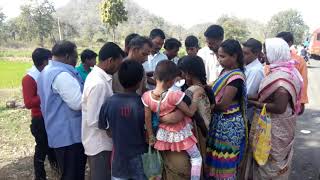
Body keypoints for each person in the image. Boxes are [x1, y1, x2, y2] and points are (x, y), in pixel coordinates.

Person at [248, 38, 302, 179]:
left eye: (266, 52)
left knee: (270, 160)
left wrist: (255, 104)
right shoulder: (290, 71)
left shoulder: (281, 78)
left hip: (276, 125)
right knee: (276, 160)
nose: (263, 55)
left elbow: (279, 107)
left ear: (275, 53)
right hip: (284, 123)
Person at [142, 60, 203, 180]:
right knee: (196, 157)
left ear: (154, 76)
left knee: (163, 163)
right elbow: (190, 112)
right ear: (171, 81)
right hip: (180, 133)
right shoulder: (174, 95)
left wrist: (151, 136)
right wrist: (195, 98)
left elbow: (147, 118)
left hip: (163, 134)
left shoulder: (146, 97)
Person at [37, 41, 86, 180]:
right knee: (73, 174)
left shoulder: (47, 70)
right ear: (67, 56)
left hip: (57, 132)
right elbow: (77, 103)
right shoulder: (62, 75)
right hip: (69, 135)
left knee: (68, 172)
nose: (76, 60)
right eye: (75, 56)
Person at [81, 42, 125, 180]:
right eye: (118, 63)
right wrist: (113, 129)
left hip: (100, 141)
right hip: (99, 144)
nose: (118, 68)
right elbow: (94, 119)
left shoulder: (98, 77)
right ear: (110, 61)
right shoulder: (98, 83)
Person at [99, 61, 148, 180]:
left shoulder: (109, 102)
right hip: (140, 156)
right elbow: (148, 131)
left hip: (119, 158)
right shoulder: (143, 103)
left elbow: (104, 127)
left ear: (119, 79)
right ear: (140, 81)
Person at [206, 39, 247, 179]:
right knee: (215, 158)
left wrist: (207, 106)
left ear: (234, 56)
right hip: (220, 122)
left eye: (222, 56)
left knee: (225, 161)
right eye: (218, 56)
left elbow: (223, 105)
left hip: (229, 125)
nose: (219, 59)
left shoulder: (236, 77)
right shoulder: (225, 71)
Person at [22, 48, 57, 180]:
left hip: (49, 116)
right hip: (39, 119)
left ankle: (56, 170)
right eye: (50, 60)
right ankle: (40, 176)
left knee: (52, 146)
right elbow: (29, 102)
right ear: (44, 61)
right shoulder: (29, 79)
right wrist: (46, 94)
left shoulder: (46, 74)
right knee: (41, 149)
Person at [275, 31, 308, 115]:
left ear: (290, 43)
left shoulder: (299, 61)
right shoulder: (272, 58)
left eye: (282, 42)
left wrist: (302, 102)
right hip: (272, 102)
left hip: (291, 101)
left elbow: (303, 82)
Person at [242, 38, 264, 124]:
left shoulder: (256, 70)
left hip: (247, 116)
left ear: (256, 54)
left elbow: (247, 94)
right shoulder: (247, 66)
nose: (242, 55)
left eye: (246, 53)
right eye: (242, 52)